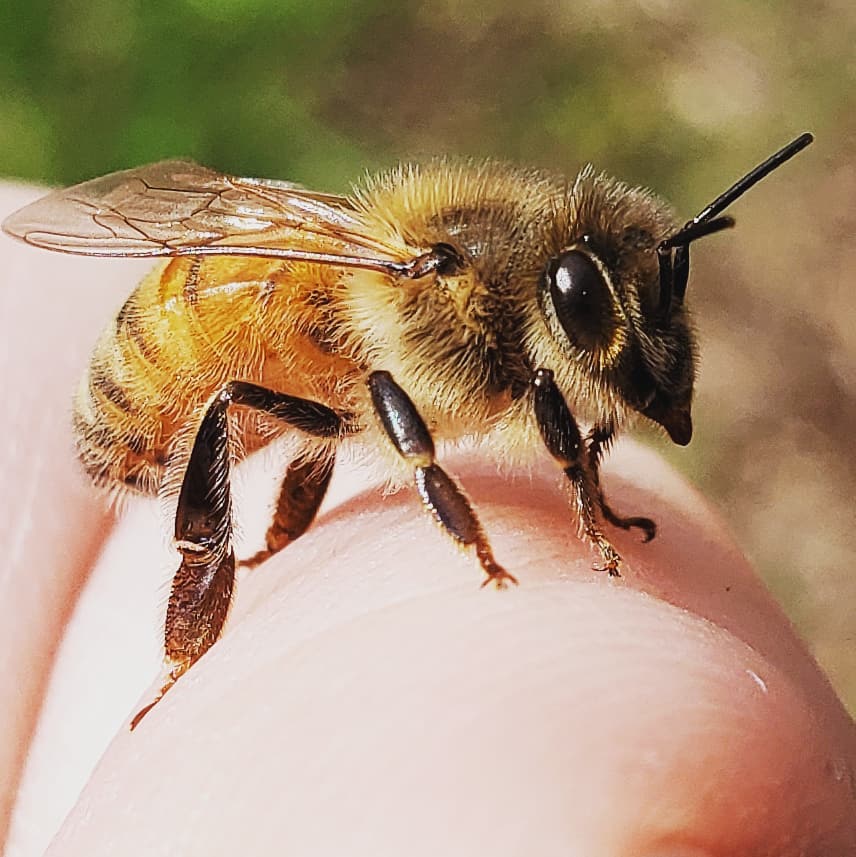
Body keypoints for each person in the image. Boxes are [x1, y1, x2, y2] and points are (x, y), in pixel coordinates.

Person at [1, 182, 854, 856]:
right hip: (182, 328)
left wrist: (592, 485)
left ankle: (265, 555)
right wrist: (467, 525)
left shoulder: (524, 334)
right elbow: (381, 390)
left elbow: (543, 390)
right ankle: (188, 641)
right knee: (276, 395)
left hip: (281, 336)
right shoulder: (435, 277)